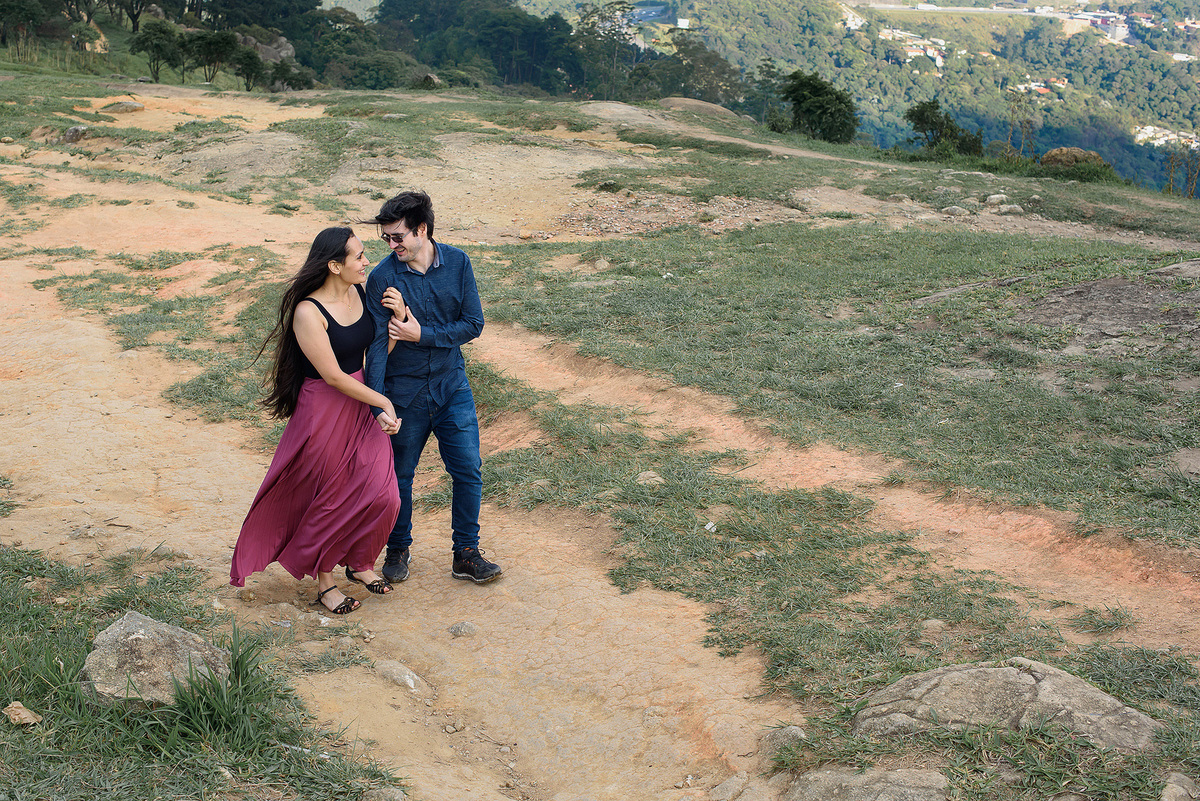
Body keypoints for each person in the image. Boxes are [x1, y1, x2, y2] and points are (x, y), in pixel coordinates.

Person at [231, 227, 403, 614]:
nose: (366, 261)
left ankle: (360, 562)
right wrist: (382, 403)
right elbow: (333, 376)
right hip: (324, 408)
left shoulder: (361, 292)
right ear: (334, 266)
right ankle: (326, 582)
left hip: (359, 400)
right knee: (331, 497)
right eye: (358, 256)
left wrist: (400, 317)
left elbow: (374, 352)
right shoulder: (308, 312)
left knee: (384, 493)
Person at [363, 190, 502, 584]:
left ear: (421, 230)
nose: (391, 246)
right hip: (403, 393)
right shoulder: (382, 278)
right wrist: (378, 405)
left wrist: (420, 333)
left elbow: (473, 324)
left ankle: (466, 553)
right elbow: (377, 347)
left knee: (468, 469)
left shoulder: (458, 262)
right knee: (400, 476)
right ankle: (397, 547)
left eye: (397, 237)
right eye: (386, 238)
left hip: (451, 386)